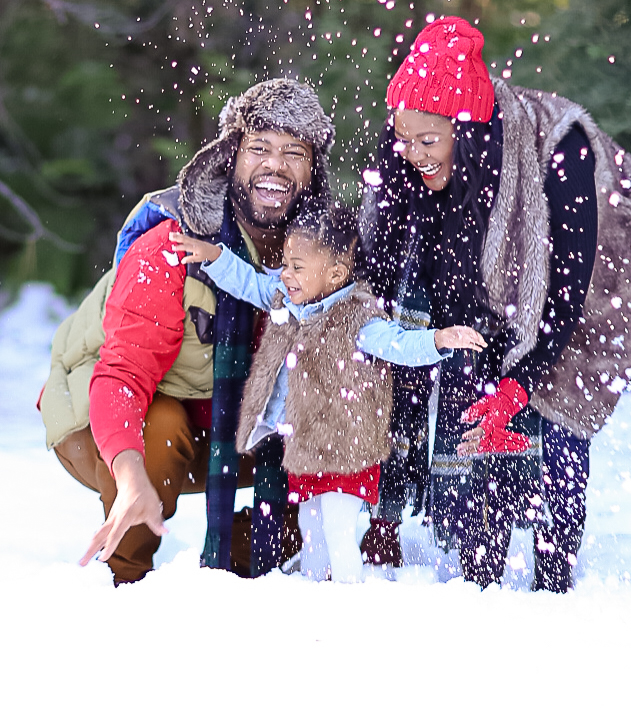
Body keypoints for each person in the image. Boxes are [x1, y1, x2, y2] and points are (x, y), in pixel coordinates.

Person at [358, 16, 631, 590]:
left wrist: (521, 384)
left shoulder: (561, 152)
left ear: (466, 131)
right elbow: (385, 256)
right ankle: (479, 557)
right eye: (404, 139)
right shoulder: (413, 145)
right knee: (481, 417)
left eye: (428, 143)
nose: (413, 155)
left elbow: (564, 293)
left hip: (603, 270)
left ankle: (555, 574)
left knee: (555, 414)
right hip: (499, 281)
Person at [39, 78, 336, 583]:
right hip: (108, 416)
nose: (275, 165)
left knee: (329, 431)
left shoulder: (322, 259)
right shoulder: (171, 247)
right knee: (161, 426)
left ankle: (236, 569)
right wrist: (129, 472)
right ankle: (124, 575)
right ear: (232, 156)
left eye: (294, 152)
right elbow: (122, 377)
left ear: (313, 170)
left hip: (226, 420)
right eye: (259, 148)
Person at [172, 201, 487, 582]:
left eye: (297, 267)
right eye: (286, 263)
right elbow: (250, 281)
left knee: (338, 530)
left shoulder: (359, 319)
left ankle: (347, 598)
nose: (285, 274)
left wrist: (438, 340)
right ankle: (316, 590)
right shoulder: (287, 300)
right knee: (311, 527)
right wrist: (215, 257)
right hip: (307, 447)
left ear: (336, 273)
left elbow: (398, 344)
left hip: (348, 449)